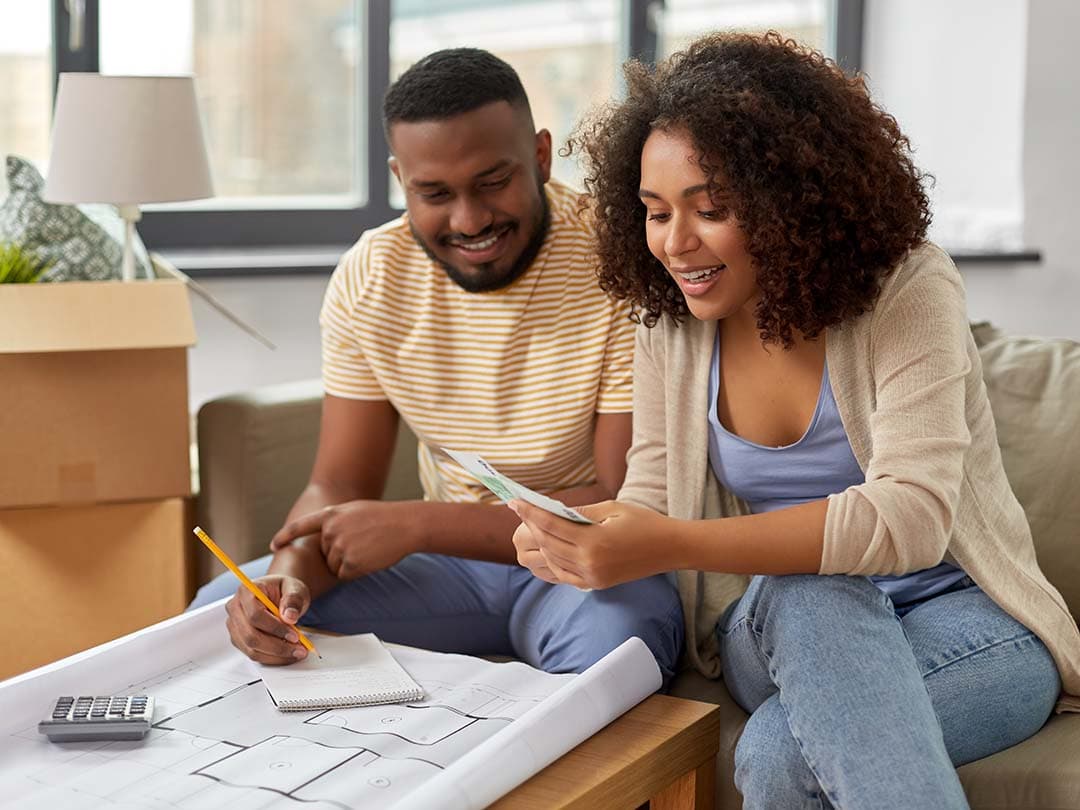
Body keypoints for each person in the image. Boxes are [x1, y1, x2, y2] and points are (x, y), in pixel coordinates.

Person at [509, 32, 1080, 809]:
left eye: (710, 209)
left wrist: (669, 543)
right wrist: (583, 535)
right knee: (807, 593)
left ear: (790, 201)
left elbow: (911, 518)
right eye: (654, 212)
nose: (676, 244)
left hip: (973, 622)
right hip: (779, 631)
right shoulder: (670, 320)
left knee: (779, 753)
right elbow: (651, 495)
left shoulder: (904, 289)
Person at [190, 48, 683, 683]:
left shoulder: (618, 260)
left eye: (492, 182)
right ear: (401, 179)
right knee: (213, 626)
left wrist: (419, 523)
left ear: (538, 155)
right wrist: (290, 572)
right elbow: (338, 483)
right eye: (434, 193)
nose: (469, 219)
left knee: (619, 654)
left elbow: (619, 500)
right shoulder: (371, 277)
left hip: (581, 562)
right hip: (453, 572)